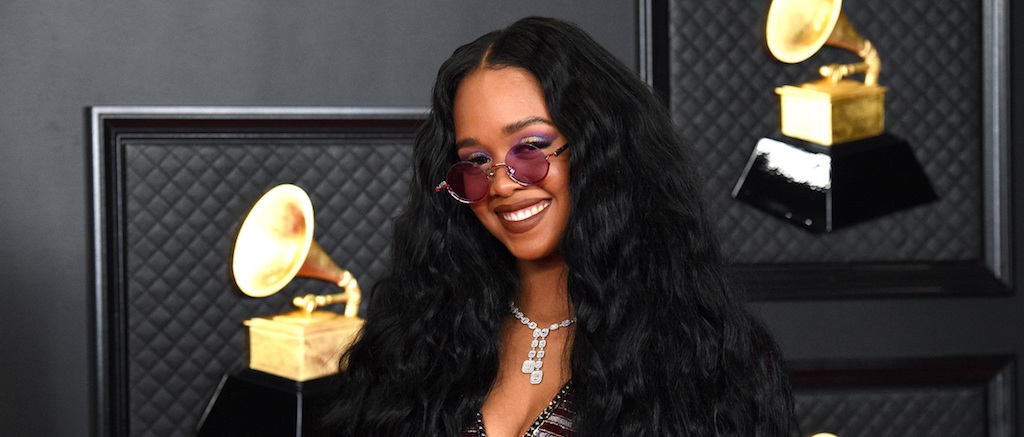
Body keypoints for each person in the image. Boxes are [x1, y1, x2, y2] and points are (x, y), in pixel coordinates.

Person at [322, 16, 797, 437]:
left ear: (598, 148)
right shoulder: (418, 337)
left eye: (530, 148)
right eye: (476, 161)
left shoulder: (706, 355)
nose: (501, 184)